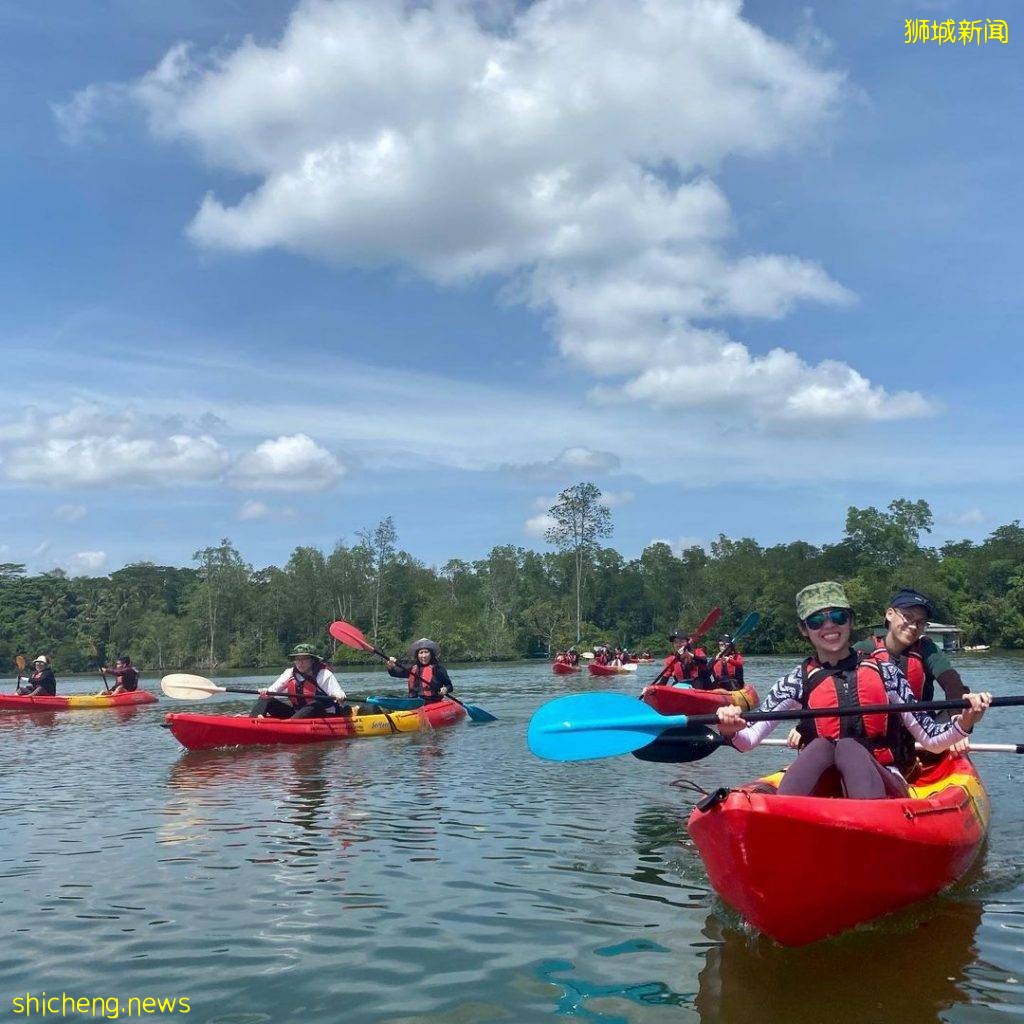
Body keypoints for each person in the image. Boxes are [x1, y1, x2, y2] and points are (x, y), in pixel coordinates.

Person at [716, 582, 990, 799]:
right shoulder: (795, 682)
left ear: (850, 621)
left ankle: (870, 830)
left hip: (884, 785)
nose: (829, 627)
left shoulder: (886, 673)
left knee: (847, 747)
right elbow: (747, 741)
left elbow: (931, 739)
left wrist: (965, 721)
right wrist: (729, 728)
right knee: (822, 746)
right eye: (816, 621)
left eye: (838, 617)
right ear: (803, 629)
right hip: (824, 784)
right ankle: (780, 825)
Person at [854, 589, 967, 702]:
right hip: (878, 718)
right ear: (889, 614)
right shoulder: (864, 649)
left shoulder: (927, 649)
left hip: (922, 719)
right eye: (908, 617)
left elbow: (951, 681)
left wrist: (963, 702)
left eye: (921, 622)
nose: (914, 626)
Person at [249, 644, 347, 719]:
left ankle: (288, 727)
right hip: (297, 715)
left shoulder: (323, 674)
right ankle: (253, 722)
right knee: (266, 699)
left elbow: (338, 692)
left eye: (304, 659)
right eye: (297, 659)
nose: (300, 663)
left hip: (323, 715)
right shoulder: (289, 673)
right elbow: (273, 690)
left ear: (312, 660)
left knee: (315, 704)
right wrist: (266, 692)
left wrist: (340, 696)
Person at [387, 639, 453, 703]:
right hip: (413, 702)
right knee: (389, 696)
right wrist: (391, 667)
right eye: (421, 653)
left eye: (426, 652)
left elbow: (449, 686)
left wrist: (445, 689)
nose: (423, 656)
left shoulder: (438, 669)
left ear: (431, 654)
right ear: (417, 655)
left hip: (431, 702)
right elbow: (394, 673)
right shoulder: (412, 668)